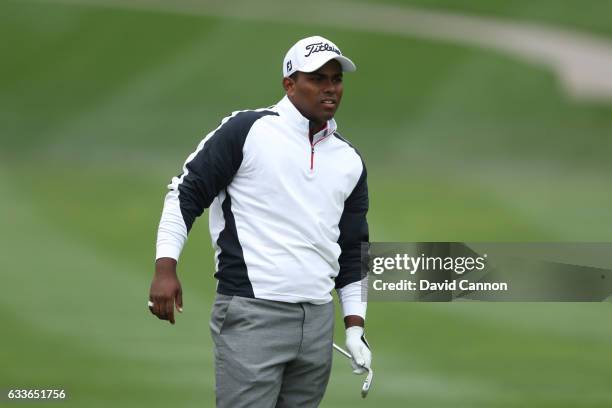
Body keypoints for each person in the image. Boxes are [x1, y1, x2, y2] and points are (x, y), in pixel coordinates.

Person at [148, 35, 372, 407]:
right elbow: (185, 194)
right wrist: (165, 267)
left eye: (336, 79)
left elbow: (353, 249)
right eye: (317, 79)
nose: (330, 88)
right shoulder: (247, 130)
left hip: (317, 321)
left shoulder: (349, 160)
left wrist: (355, 326)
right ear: (289, 84)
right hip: (252, 312)